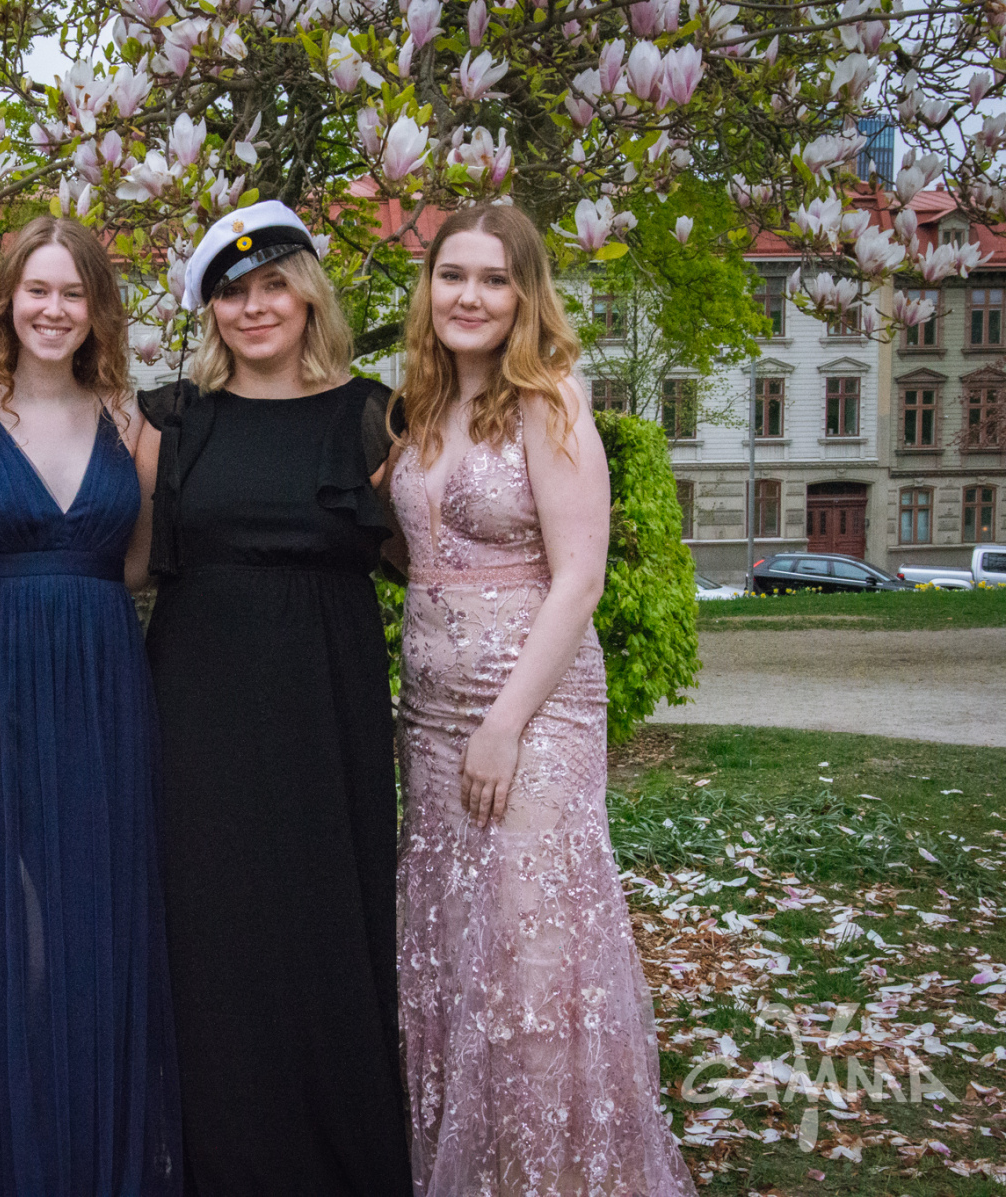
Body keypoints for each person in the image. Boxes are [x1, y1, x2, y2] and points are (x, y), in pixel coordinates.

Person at [387, 202, 695, 1197]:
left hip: (531, 713)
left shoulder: (550, 400)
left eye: (494, 278)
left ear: (526, 295)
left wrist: (504, 725)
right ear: (429, 288)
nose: (469, 296)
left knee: (531, 955)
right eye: (452, 275)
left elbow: (580, 579)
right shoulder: (417, 404)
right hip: (430, 718)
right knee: (453, 947)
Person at [137, 201, 411, 1196]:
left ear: (309, 297)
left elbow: (424, 556)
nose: (253, 308)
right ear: (209, 310)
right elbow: (123, 558)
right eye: (232, 293)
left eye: (272, 287)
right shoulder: (170, 418)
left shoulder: (375, 414)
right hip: (197, 705)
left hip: (326, 701)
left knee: (325, 919)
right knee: (214, 928)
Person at [0, 215, 183, 1196]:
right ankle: (4, 1155)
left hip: (103, 687)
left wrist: (63, 602)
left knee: (94, 917)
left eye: (75, 293)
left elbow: (138, 565)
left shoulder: (135, 428)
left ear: (98, 309)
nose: (55, 309)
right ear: (8, 302)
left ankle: (88, 1154)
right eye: (39, 290)